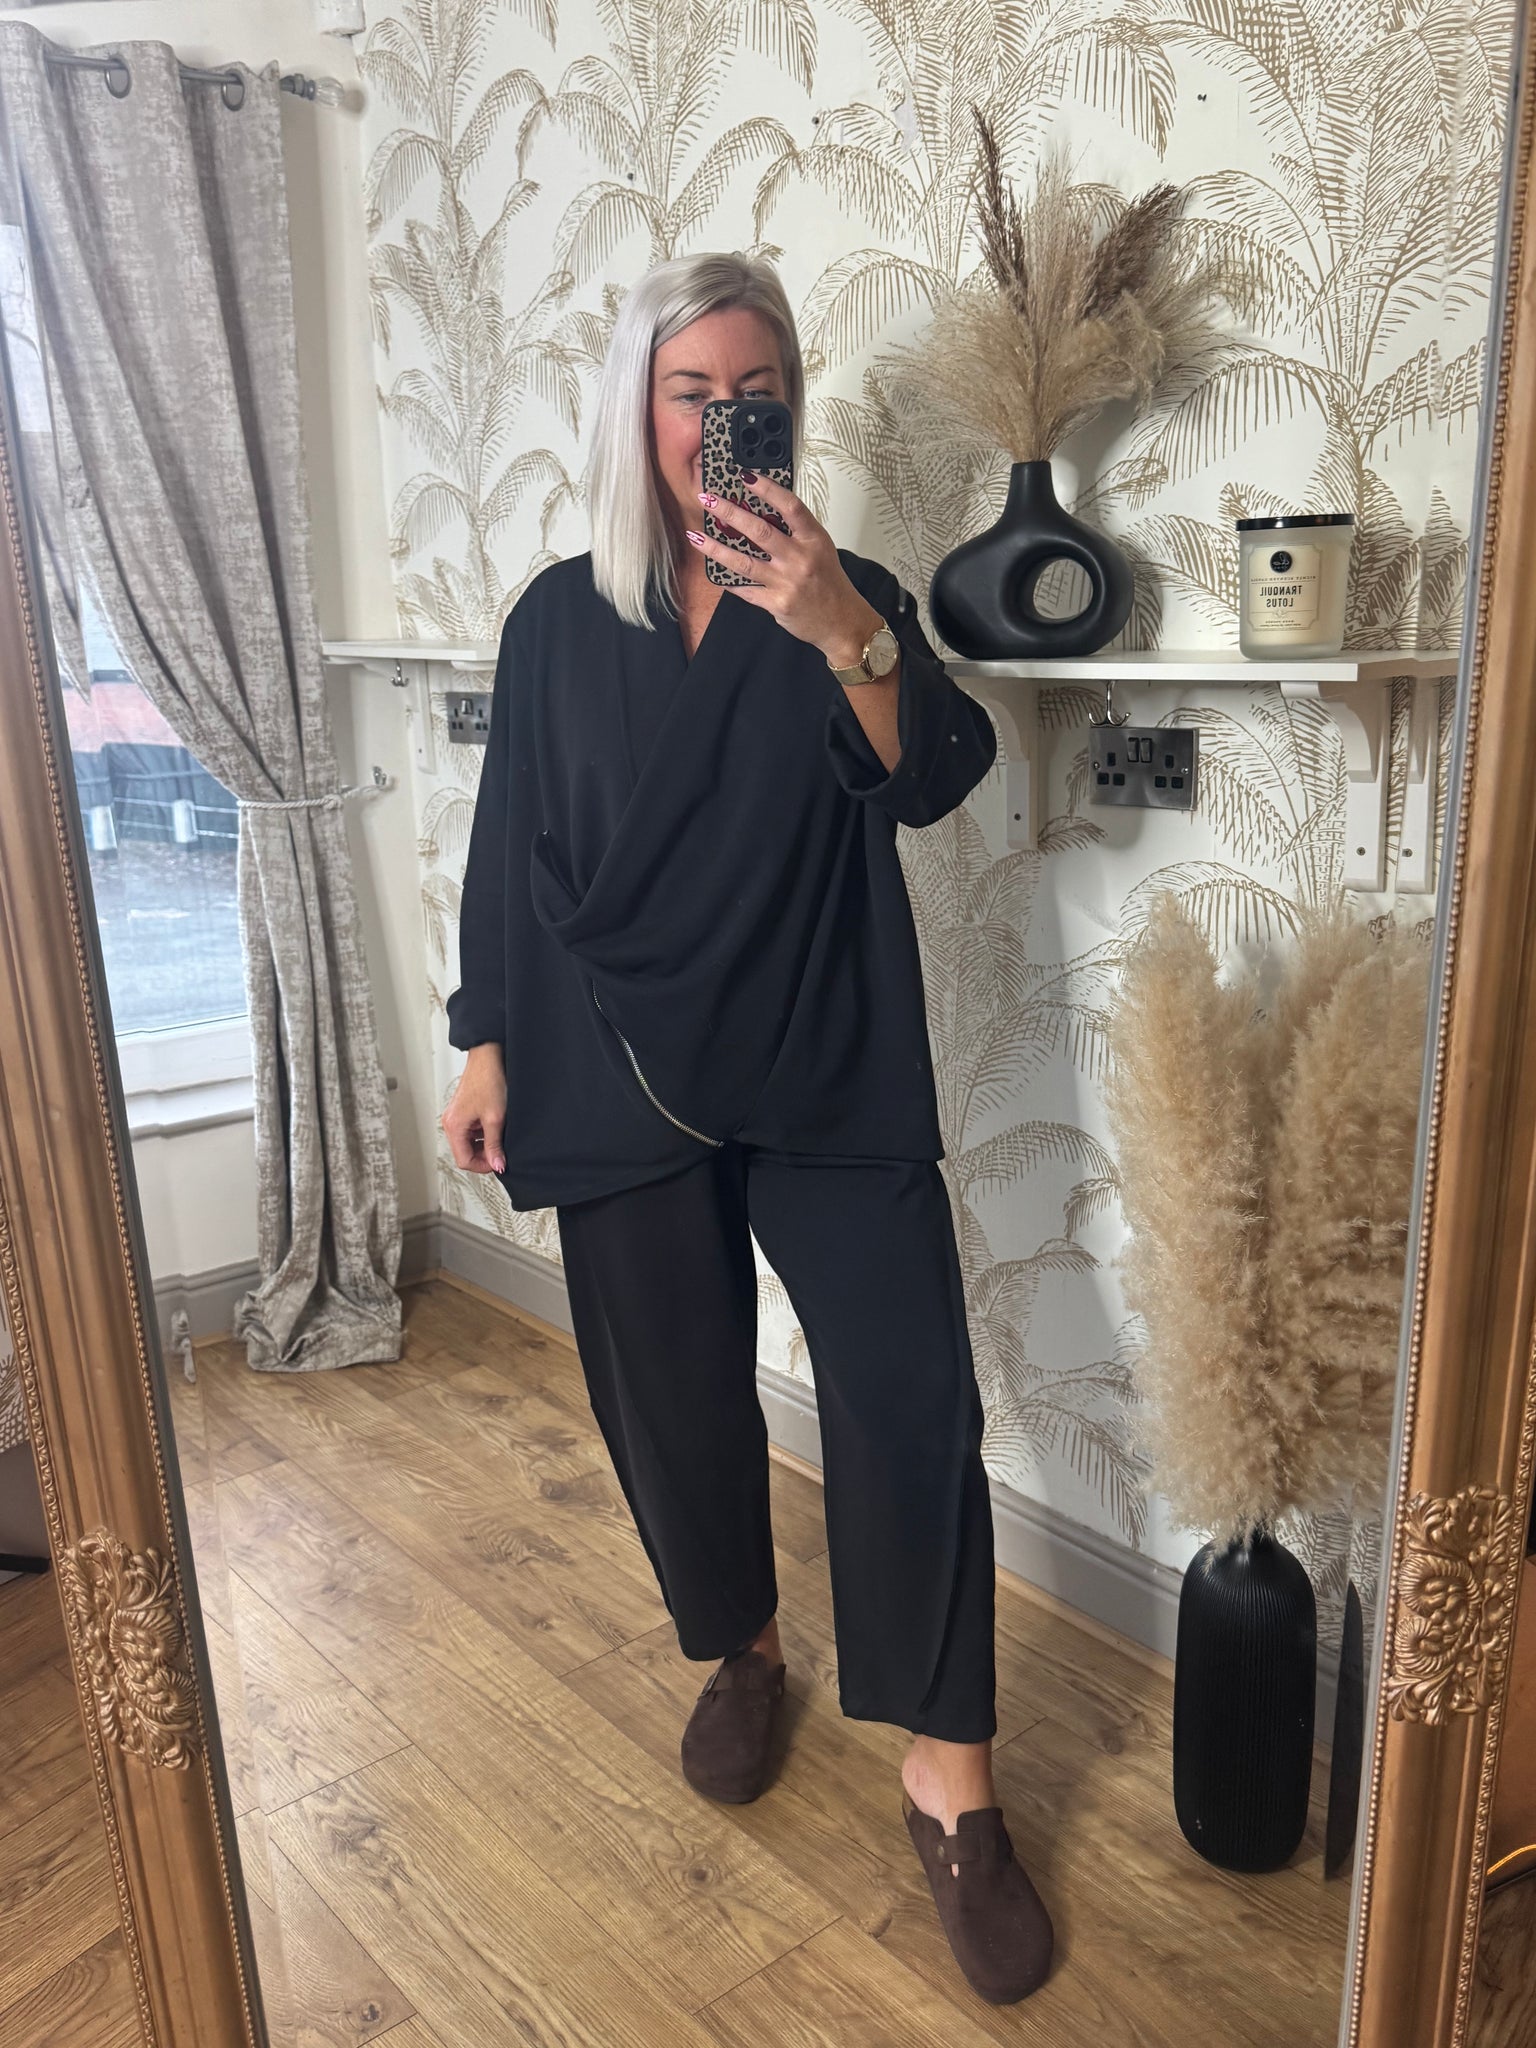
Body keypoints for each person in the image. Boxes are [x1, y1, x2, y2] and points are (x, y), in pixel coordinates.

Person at [441, 250, 1053, 2004]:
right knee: (670, 1390)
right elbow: (510, 841)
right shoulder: (561, 621)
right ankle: (745, 1647)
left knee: (910, 1396)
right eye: (689, 393)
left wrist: (843, 625)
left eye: (754, 394)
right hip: (606, 1056)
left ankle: (951, 1777)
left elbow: (932, 776)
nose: (723, 420)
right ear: (637, 413)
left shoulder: (840, 599)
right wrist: (483, 1039)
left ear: (791, 410)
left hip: (821, 1051)